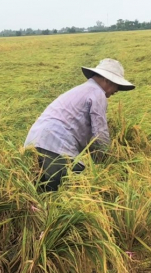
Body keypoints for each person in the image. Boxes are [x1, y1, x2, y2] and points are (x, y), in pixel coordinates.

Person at [24, 58, 135, 191]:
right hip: (56, 147)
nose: (116, 90)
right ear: (107, 80)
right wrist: (108, 161)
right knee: (63, 195)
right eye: (117, 85)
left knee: (39, 193)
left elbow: (87, 137)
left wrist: (96, 158)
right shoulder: (97, 94)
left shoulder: (81, 90)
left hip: (34, 143)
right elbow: (100, 133)